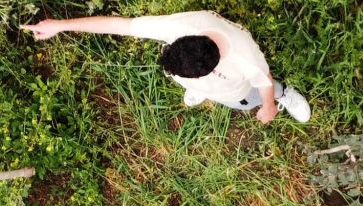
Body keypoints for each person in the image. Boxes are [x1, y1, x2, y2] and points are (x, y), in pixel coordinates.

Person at [20, 11, 311, 123]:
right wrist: (60, 26)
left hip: (239, 92)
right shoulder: (179, 29)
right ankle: (200, 93)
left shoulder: (245, 56)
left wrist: (269, 106)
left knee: (251, 99)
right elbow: (118, 25)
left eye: (191, 76)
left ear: (211, 70)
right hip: (209, 84)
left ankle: (287, 97)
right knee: (191, 86)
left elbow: (265, 82)